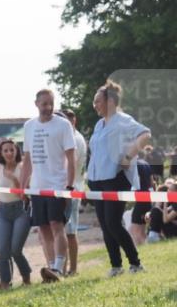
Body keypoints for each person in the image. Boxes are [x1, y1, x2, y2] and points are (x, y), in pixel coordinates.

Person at [86, 79, 152, 276]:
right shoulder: (99, 124)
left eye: (98, 101)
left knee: (113, 223)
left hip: (115, 179)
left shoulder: (123, 120)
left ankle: (136, 264)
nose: (95, 105)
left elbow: (145, 134)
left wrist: (128, 155)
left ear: (110, 101)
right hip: (97, 181)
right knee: (105, 225)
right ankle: (116, 266)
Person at [20, 89, 76, 283]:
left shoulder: (63, 125)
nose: (48, 107)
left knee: (56, 225)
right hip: (37, 186)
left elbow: (71, 156)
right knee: (43, 227)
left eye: (51, 103)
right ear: (36, 104)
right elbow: (27, 159)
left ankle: (59, 267)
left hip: (57, 185)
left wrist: (69, 185)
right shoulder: (29, 126)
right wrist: (22, 186)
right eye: (44, 104)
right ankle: (51, 268)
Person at [0, 139, 32, 289]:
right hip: (3, 210)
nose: (9, 153)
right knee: (2, 250)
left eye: (11, 150)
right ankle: (5, 282)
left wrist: (14, 179)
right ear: (0, 153)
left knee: (15, 249)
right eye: (5, 150)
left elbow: (24, 196)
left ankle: (26, 277)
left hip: (21, 209)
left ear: (17, 151)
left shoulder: (23, 168)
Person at [59, 109, 87, 276]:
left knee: (69, 231)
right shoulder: (73, 137)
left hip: (72, 188)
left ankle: (72, 268)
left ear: (73, 121)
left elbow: (70, 164)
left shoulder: (75, 139)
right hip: (71, 187)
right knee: (64, 231)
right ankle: (65, 267)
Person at [128, 152, 154, 246]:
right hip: (147, 197)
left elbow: (133, 183)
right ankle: (145, 247)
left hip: (140, 198)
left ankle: (140, 248)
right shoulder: (146, 164)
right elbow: (152, 182)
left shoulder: (134, 166)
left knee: (135, 229)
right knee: (142, 229)